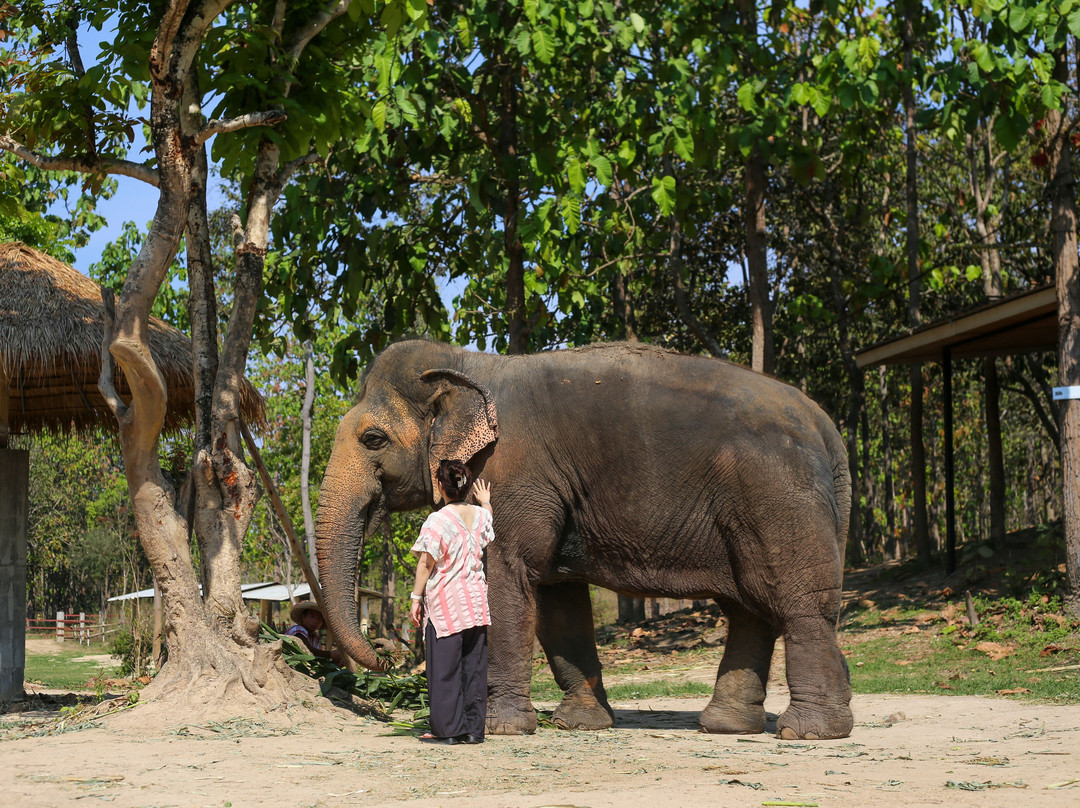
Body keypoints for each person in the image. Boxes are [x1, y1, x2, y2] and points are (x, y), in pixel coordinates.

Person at [410, 459, 494, 745]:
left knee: (445, 670)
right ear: (467, 486)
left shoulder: (438, 520)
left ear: (440, 486)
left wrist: (415, 597)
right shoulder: (481, 517)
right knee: (474, 668)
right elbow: (487, 525)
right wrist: (485, 501)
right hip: (476, 603)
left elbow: (426, 562)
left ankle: (447, 731)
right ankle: (472, 730)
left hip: (447, 605)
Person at [286, 601, 345, 665]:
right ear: (303, 617)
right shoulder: (297, 629)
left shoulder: (315, 638)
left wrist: (335, 663)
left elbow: (317, 658)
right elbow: (306, 649)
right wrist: (331, 654)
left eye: (319, 619)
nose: (316, 621)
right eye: (312, 616)